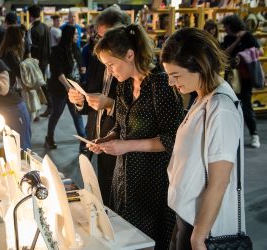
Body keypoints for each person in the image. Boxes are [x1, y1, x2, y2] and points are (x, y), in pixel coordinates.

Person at [88, 24, 184, 249]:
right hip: (124, 177)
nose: (109, 71)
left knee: (147, 241)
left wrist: (127, 145)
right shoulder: (124, 86)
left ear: (130, 55)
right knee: (123, 236)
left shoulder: (161, 84)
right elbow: (121, 127)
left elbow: (173, 138)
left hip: (153, 181)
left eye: (111, 64)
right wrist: (108, 139)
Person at [161, 27, 245, 250]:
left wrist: (198, 237)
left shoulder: (220, 107)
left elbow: (219, 181)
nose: (171, 83)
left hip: (201, 225)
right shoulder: (203, 99)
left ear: (200, 67)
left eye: (175, 75)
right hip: (187, 215)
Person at [68, 5, 127, 207]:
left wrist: (109, 104)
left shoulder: (132, 66)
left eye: (108, 36)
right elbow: (90, 92)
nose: (103, 43)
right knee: (102, 195)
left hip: (121, 141)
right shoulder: (97, 59)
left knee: (119, 200)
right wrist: (80, 100)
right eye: (100, 37)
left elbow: (137, 110)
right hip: (97, 136)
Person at [221, 14, 262, 148]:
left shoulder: (248, 36)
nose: (224, 28)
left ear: (231, 25)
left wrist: (242, 55)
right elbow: (224, 54)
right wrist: (236, 41)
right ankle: (234, 135)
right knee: (231, 105)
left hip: (244, 77)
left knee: (246, 105)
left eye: (226, 26)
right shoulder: (228, 38)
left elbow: (259, 51)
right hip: (231, 76)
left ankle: (254, 134)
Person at [45, 25, 86, 152]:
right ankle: (49, 138)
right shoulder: (57, 51)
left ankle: (83, 142)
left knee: (77, 115)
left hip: (75, 88)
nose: (77, 36)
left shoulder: (76, 48)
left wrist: (82, 69)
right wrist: (68, 88)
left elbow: (80, 64)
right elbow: (58, 72)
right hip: (60, 90)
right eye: (75, 34)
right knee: (56, 114)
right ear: (69, 35)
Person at [28, 4, 52, 118]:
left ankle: (49, 106)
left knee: (39, 84)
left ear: (31, 16)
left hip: (36, 61)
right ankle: (47, 107)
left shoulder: (33, 29)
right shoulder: (46, 27)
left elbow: (32, 48)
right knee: (42, 84)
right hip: (46, 60)